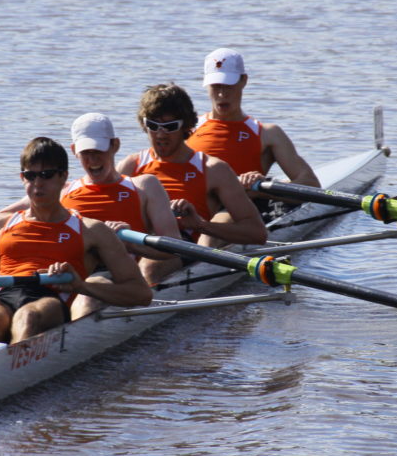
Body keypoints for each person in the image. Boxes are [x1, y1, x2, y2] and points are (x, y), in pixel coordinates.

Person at [0, 137, 152, 343]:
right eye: (31, 175)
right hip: (4, 294)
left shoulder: (91, 230)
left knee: (28, 317)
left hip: (53, 298)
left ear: (63, 177)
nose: (38, 184)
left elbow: (141, 294)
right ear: (22, 178)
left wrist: (81, 286)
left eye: (46, 175)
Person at [116, 83, 267, 251]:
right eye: (152, 125)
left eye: (170, 126)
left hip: (181, 250)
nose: (160, 135)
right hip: (133, 246)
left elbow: (257, 233)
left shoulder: (214, 170)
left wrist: (200, 225)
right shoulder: (130, 166)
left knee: (151, 266)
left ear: (186, 126)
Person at [62, 113, 182, 283]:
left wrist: (130, 245)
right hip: (74, 272)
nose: (93, 159)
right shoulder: (61, 190)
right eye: (86, 153)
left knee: (91, 289)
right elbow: (11, 215)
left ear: (115, 145)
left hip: (121, 274)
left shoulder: (144, 186)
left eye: (98, 150)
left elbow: (175, 247)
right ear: (74, 151)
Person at [188, 48, 321, 201]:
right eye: (216, 86)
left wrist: (261, 190)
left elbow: (311, 185)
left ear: (244, 80)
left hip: (234, 212)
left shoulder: (268, 134)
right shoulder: (186, 129)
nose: (221, 94)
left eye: (228, 85)